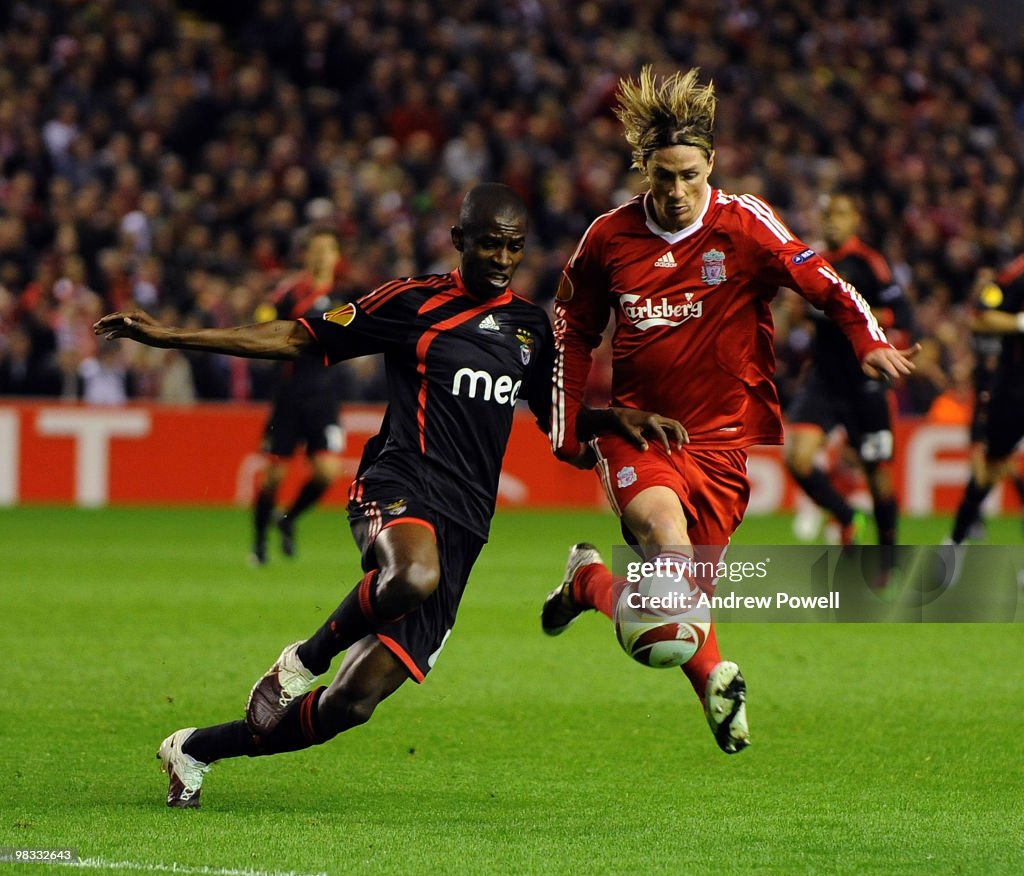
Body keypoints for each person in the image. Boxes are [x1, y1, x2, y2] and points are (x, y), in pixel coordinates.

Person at [94, 183, 665, 808]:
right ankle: (298, 663)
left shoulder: (531, 329)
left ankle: (195, 750)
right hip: (398, 485)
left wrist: (614, 421)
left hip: (467, 525)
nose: (502, 258)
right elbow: (297, 338)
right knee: (411, 575)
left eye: (513, 247)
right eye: (489, 244)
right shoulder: (411, 302)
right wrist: (175, 337)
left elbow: (561, 426)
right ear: (458, 241)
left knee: (351, 704)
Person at [542, 67, 917, 755]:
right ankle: (716, 677)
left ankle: (587, 580)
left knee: (680, 601)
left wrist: (868, 338)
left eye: (689, 174)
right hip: (639, 433)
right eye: (662, 177)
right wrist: (569, 422)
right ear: (644, 171)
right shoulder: (609, 238)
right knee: (668, 551)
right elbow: (572, 327)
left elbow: (827, 285)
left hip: (720, 445)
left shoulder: (744, 224)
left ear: (711, 163)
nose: (677, 192)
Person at [783, 192, 913, 573]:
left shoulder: (869, 263)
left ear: (855, 218)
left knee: (879, 478)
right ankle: (846, 516)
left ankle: (887, 557)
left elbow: (902, 314)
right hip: (822, 380)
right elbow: (797, 315)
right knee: (797, 459)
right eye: (826, 215)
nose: (831, 221)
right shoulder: (809, 259)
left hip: (865, 382)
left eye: (840, 214)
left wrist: (855, 311)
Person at [249, 228, 347, 566]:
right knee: (274, 475)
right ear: (306, 256)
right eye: (316, 249)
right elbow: (263, 324)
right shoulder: (291, 292)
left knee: (327, 472)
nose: (321, 256)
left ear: (337, 257)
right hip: (289, 395)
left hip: (324, 397)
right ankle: (259, 542)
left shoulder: (345, 296)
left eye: (328, 249)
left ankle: (288, 520)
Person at [948, 257, 1024, 547]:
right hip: (1011, 391)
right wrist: (1020, 321)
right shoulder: (1017, 273)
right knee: (987, 470)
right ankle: (956, 541)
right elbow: (981, 317)